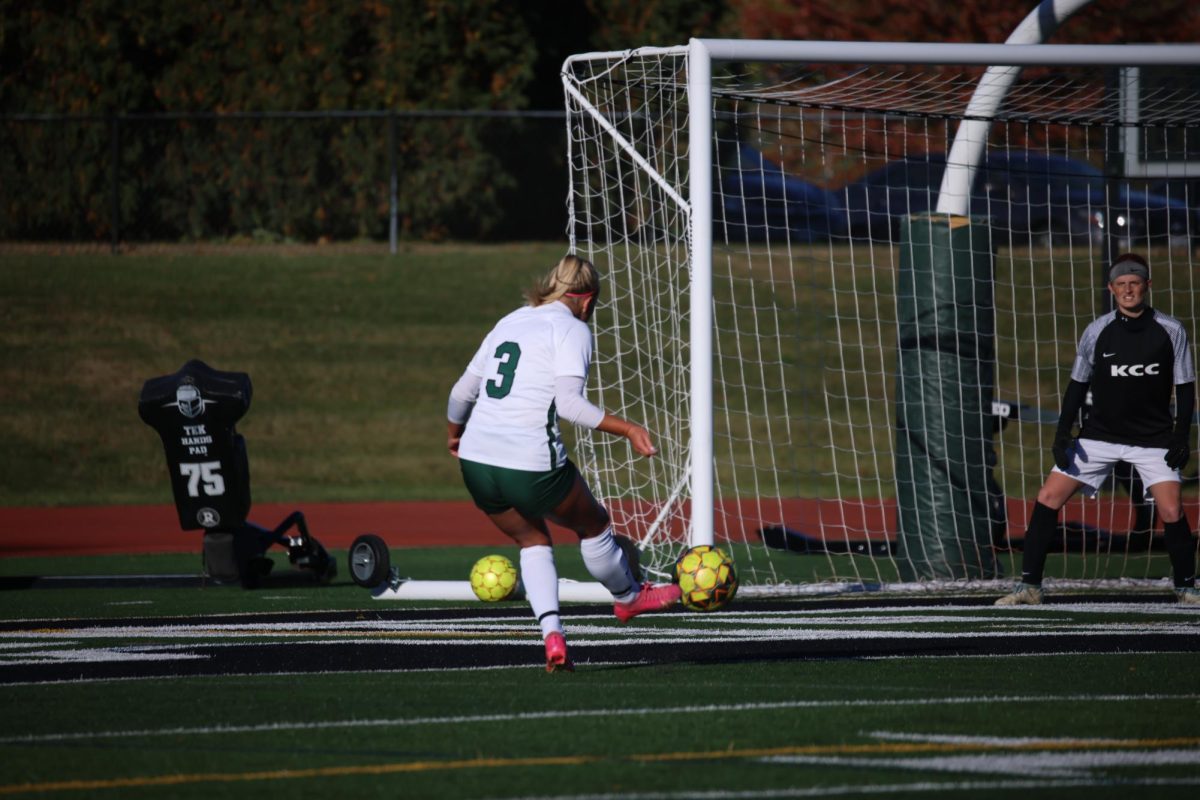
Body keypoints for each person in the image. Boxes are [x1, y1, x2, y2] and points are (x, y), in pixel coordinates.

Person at [446, 253, 681, 671]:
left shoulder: (512, 319)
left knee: (533, 541)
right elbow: (570, 406)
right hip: (529, 462)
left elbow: (463, 391)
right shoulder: (572, 329)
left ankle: (553, 637)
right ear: (587, 301)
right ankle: (628, 598)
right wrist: (627, 429)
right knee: (594, 526)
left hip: (476, 461)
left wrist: (453, 435)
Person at [996, 253, 1198, 606]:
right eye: (1121, 285)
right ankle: (1029, 586)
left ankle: (1185, 587)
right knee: (1048, 497)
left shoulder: (1171, 330)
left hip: (1152, 440)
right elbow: (1076, 385)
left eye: (1135, 283)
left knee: (1171, 511)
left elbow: (1185, 387)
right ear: (1111, 289)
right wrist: (1062, 433)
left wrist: (1181, 435)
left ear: (1147, 286)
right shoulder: (1097, 330)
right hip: (1098, 437)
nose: (1128, 290)